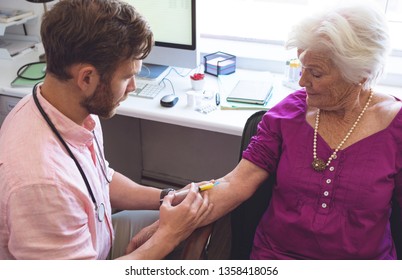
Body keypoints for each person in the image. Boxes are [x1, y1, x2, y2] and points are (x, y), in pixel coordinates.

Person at [154, 1, 401, 259]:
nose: (302, 81)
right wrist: (162, 231)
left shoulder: (396, 128)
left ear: (361, 74)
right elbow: (234, 184)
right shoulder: (288, 115)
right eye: (302, 66)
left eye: (315, 73)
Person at [0, 0, 211, 260]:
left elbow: (100, 180)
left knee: (201, 220)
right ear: (86, 78)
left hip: (98, 240)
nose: (132, 87)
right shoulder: (43, 184)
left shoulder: (68, 109)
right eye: (126, 77)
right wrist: (170, 235)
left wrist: (167, 196)